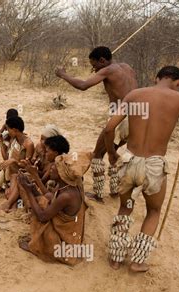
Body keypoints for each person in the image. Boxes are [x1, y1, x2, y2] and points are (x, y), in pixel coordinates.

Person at [104, 66, 179, 272]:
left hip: (130, 160)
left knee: (125, 208)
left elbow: (109, 127)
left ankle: (115, 258)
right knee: (154, 211)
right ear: (178, 82)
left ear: (156, 77)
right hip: (154, 165)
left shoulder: (134, 95)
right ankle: (137, 262)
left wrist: (112, 153)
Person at [56, 46, 137, 203]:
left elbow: (83, 85)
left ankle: (98, 194)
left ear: (102, 60)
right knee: (113, 151)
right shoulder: (127, 67)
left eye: (94, 65)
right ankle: (115, 190)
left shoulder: (108, 70)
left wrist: (63, 74)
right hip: (137, 116)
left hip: (120, 116)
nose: (94, 69)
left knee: (98, 154)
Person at [17, 152, 93, 266]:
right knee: (44, 199)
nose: (51, 168)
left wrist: (28, 191)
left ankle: (37, 247)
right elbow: (50, 196)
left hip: (64, 244)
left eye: (55, 167)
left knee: (41, 206)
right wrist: (35, 178)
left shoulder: (66, 195)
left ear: (62, 174)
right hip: (69, 232)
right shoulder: (68, 184)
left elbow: (42, 217)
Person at [0, 116, 34, 205]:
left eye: (8, 129)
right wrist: (1, 142)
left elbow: (27, 167)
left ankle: (10, 187)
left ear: (15, 130)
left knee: (9, 196)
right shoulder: (13, 139)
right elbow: (6, 158)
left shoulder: (29, 144)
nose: (7, 132)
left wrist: (14, 161)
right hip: (8, 170)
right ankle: (7, 185)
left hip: (18, 173)